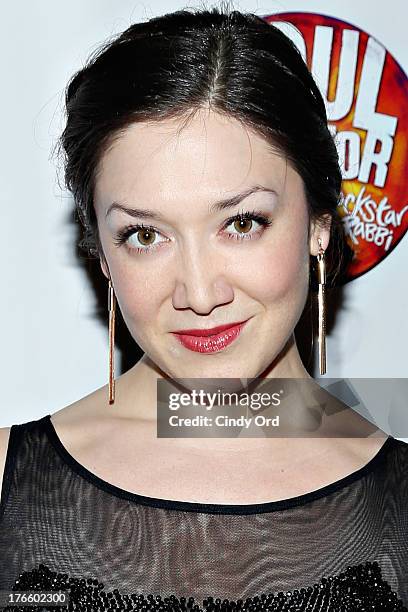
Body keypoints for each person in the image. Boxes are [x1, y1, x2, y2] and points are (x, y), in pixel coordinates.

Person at [0, 3, 407, 610]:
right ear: (103, 256)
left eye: (242, 223)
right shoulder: (8, 482)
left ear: (320, 223)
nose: (199, 293)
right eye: (144, 235)